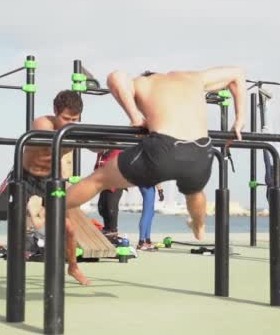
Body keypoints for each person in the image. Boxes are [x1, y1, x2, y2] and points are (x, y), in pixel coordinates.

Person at [65, 67, 246, 241]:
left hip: (164, 149)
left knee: (98, 180)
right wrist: (239, 121)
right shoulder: (194, 77)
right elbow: (236, 74)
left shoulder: (144, 82)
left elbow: (115, 77)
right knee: (194, 191)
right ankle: (199, 226)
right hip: (201, 151)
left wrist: (135, 116)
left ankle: (49, 211)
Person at [0, 90, 91, 285]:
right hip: (24, 178)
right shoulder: (42, 123)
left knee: (69, 229)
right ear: (55, 111)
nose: (70, 123)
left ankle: (73, 267)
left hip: (49, 181)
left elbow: (97, 146)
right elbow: (51, 139)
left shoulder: (73, 129)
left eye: (75, 119)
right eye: (66, 118)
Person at [94, 149, 124, 238]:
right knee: (101, 207)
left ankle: (113, 230)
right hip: (104, 185)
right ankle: (107, 228)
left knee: (111, 207)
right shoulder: (101, 153)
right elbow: (97, 167)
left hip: (115, 185)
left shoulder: (117, 151)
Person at [137, 184, 164, 250]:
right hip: (148, 186)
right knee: (147, 213)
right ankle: (141, 242)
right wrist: (160, 190)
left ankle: (147, 240)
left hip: (145, 185)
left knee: (150, 213)